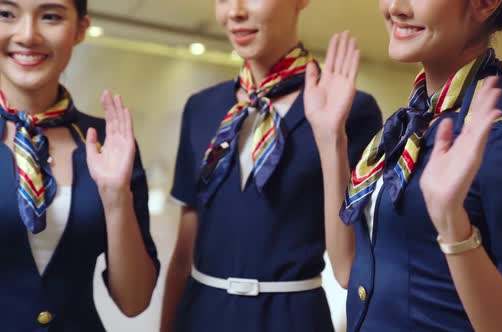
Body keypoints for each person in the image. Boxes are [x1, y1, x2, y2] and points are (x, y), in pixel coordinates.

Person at [305, 0, 502, 331]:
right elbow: (348, 270)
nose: (394, 7)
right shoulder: (404, 127)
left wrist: (453, 227)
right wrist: (331, 138)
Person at [160, 0, 383, 331]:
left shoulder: (353, 111)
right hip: (202, 314)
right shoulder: (201, 108)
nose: (234, 12)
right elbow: (183, 255)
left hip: (291, 316)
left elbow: (349, 265)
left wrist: (331, 137)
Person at [0, 0, 159, 330]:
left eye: (51, 16)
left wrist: (116, 197)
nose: (27, 35)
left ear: (80, 29)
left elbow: (134, 301)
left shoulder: (108, 141)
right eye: (6, 14)